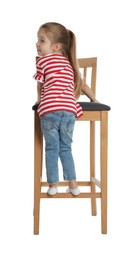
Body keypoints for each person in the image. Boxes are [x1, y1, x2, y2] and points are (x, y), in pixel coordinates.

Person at [34, 22, 97, 196]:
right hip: (69, 110)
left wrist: (39, 102)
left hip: (50, 111)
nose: (37, 44)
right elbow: (82, 85)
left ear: (56, 47)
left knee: (51, 148)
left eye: (41, 40)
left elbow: (40, 87)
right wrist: (94, 99)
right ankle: (73, 184)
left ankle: (53, 185)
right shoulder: (70, 65)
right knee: (66, 148)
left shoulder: (42, 61)